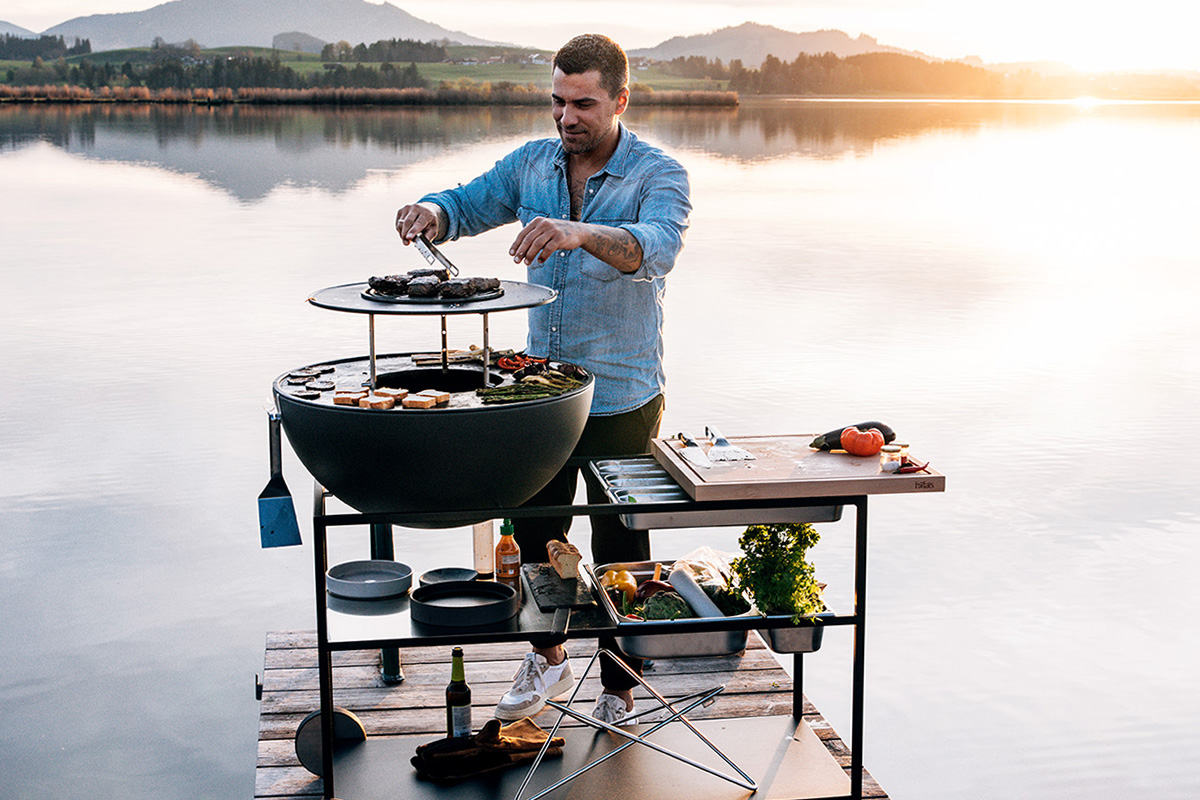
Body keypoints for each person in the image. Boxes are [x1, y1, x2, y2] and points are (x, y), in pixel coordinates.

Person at [394, 33, 691, 726]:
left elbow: (657, 249)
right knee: (531, 532)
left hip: (623, 394)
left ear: (620, 100)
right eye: (558, 101)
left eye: (583, 104)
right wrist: (433, 211)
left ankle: (619, 685)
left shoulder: (659, 174)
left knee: (621, 547)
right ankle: (548, 656)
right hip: (543, 393)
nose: (566, 117)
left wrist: (579, 232)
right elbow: (468, 202)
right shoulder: (531, 163)